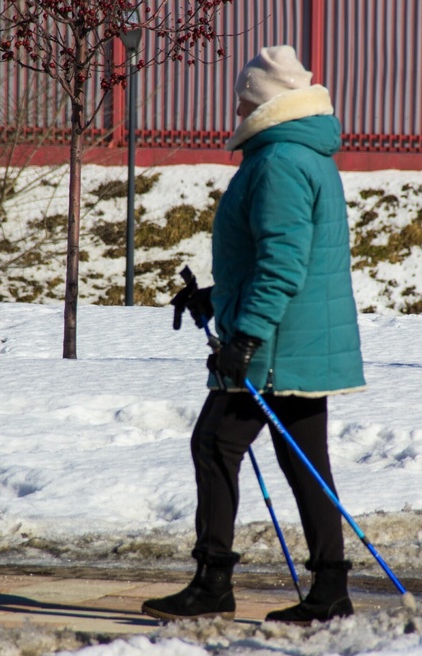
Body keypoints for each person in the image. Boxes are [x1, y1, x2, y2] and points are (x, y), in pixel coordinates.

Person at [143, 45, 366, 626]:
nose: (237, 108)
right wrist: (216, 297)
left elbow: (283, 265)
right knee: (305, 462)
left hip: (275, 346)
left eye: (244, 99)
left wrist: (244, 338)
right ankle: (330, 590)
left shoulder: (278, 162)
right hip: (298, 339)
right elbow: (283, 260)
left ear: (265, 103)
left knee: (215, 443)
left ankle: (213, 584)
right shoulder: (304, 154)